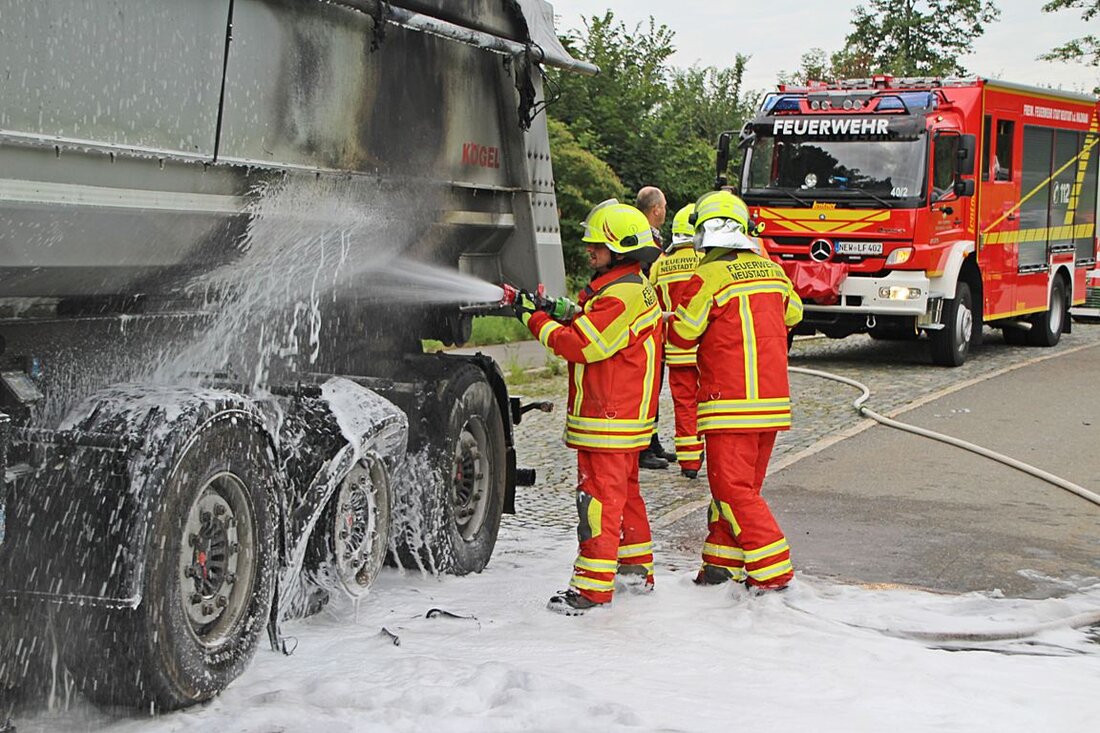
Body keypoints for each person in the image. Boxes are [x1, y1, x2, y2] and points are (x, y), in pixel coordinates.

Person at [515, 202, 663, 615]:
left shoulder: (621, 295)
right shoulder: (627, 288)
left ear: (620, 248)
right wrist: (556, 309)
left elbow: (582, 345)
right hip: (624, 419)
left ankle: (592, 590)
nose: (589, 250)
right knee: (626, 496)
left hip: (608, 419)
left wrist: (532, 320)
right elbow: (590, 320)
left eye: (597, 244)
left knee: (597, 502)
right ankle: (635, 571)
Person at [667, 190, 803, 592]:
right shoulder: (772, 271)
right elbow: (794, 313)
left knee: (732, 490)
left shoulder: (707, 276)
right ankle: (721, 565)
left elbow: (683, 331)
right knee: (742, 490)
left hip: (729, 405)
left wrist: (665, 319)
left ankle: (774, 572)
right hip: (772, 404)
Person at [649, 203, 703, 478]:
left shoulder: (661, 263)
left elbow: (651, 304)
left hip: (676, 348)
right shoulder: (706, 260)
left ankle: (689, 463)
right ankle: (715, 457)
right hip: (706, 348)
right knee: (711, 403)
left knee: (684, 404)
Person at [634, 186, 676, 470]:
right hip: (644, 322)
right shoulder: (644, 237)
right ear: (656, 209)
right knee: (646, 388)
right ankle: (642, 449)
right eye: (663, 207)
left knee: (653, 387)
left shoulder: (646, 234)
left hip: (652, 323)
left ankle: (653, 441)